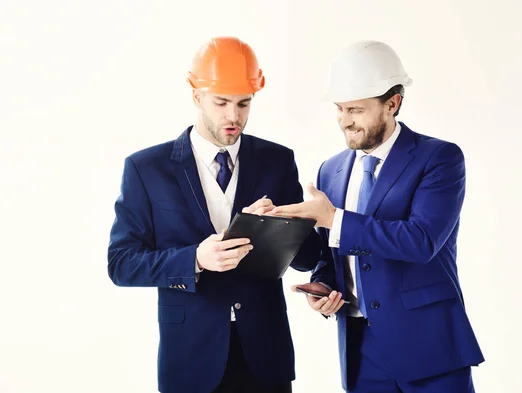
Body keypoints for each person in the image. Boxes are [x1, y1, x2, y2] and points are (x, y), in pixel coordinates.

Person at [107, 36, 320, 393]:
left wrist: (285, 224)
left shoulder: (277, 160)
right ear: (196, 96)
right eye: (221, 102)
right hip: (190, 358)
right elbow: (122, 263)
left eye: (243, 103)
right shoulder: (147, 168)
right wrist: (195, 259)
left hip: (266, 356)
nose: (233, 116)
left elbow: (307, 257)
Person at [270, 40, 485, 393]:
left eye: (355, 110)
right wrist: (323, 285)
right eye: (340, 109)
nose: (344, 121)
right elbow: (332, 252)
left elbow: (421, 241)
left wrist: (334, 219)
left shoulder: (439, 159)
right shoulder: (331, 170)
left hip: (429, 349)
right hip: (360, 351)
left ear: (392, 103)